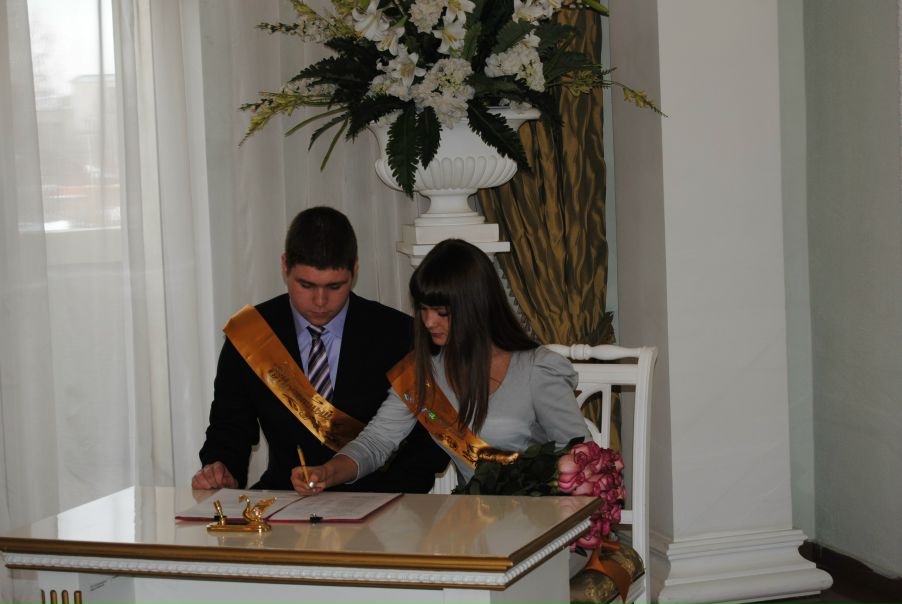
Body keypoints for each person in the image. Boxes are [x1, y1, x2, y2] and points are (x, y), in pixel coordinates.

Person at [290, 238, 591, 494]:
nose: (428, 322)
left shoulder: (537, 370)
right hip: (475, 524)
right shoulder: (423, 373)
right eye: (423, 309)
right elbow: (377, 442)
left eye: (441, 312)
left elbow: (584, 461)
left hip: (543, 524)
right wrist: (328, 472)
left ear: (476, 306)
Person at [193, 206, 448, 492]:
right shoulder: (252, 336)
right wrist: (221, 470)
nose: (320, 301)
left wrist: (389, 500)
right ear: (284, 266)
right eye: (306, 285)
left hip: (380, 500)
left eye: (334, 286)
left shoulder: (400, 334)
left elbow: (429, 441)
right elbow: (230, 428)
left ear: (354, 269)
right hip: (284, 498)